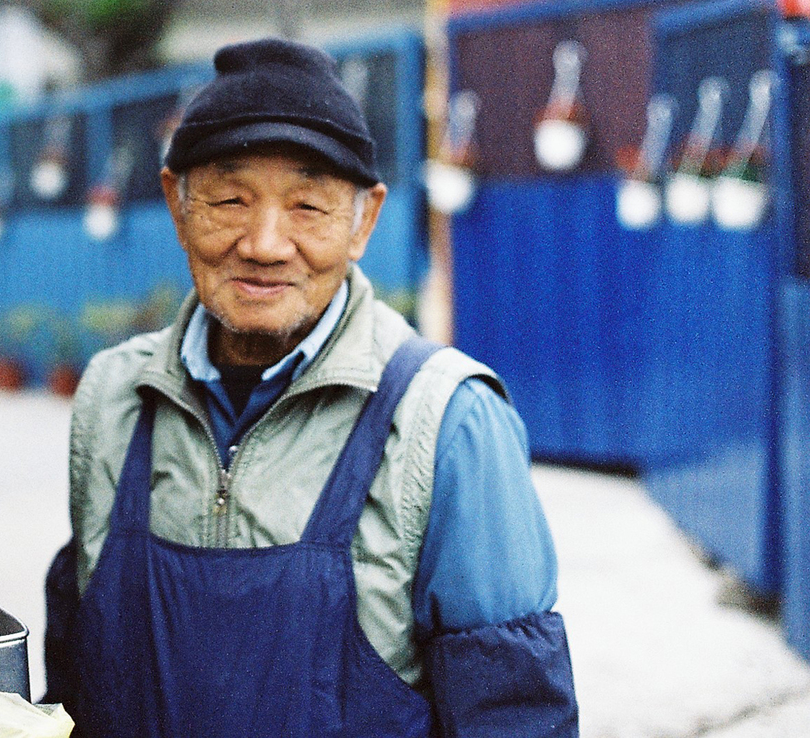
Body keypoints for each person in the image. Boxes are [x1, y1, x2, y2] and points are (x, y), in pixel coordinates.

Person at [44, 38, 578, 737]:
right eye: (231, 199)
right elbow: (76, 677)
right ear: (177, 204)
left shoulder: (448, 419)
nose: (265, 243)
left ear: (365, 222)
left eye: (308, 207)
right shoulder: (114, 397)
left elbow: (516, 714)